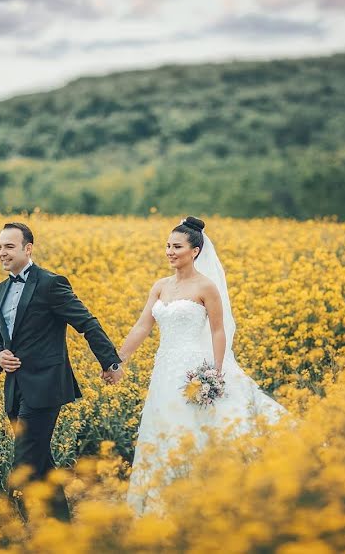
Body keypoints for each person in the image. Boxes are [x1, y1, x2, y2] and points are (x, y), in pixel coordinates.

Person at [111, 216, 287, 515]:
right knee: (162, 426)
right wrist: (117, 360)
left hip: (194, 368)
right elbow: (143, 326)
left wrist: (216, 372)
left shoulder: (207, 287)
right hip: (164, 369)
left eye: (176, 246)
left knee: (191, 428)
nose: (169, 251)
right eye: (167, 245)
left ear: (195, 251)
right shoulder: (161, 286)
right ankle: (161, 502)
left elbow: (219, 330)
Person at [0, 222, 124, 521]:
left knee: (23, 461)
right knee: (41, 461)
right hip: (15, 386)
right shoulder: (0, 290)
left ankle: (8, 528)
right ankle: (63, 525)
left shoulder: (50, 283)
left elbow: (86, 323)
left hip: (45, 387)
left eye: (9, 246)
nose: (2, 253)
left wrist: (110, 363)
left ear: (27, 248)